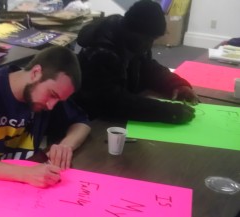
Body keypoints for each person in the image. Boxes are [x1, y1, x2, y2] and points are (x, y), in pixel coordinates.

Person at [0, 46, 91, 202]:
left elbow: (82, 123)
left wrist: (66, 146)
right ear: (36, 73)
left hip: (18, 188)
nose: (51, 106)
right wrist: (25, 174)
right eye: (52, 95)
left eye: (59, 100)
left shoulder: (45, 97)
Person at [72, 0, 200, 124]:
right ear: (131, 31)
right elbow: (111, 102)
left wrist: (176, 84)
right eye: (148, 39)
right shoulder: (101, 52)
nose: (149, 45)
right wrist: (168, 112)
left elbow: (149, 68)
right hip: (92, 120)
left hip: (116, 110)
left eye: (153, 39)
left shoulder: (133, 41)